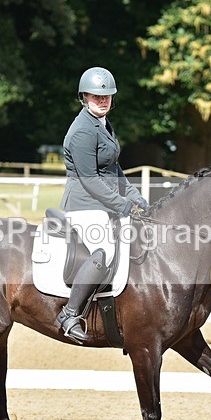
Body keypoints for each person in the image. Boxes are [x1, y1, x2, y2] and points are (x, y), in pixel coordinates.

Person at [56, 66, 149, 343]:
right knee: (104, 251)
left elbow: (114, 170)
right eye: (97, 96)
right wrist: (121, 205)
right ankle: (70, 313)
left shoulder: (104, 125)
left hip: (103, 202)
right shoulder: (83, 131)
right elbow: (90, 180)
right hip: (83, 205)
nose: (103, 100)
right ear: (84, 96)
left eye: (107, 96)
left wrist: (136, 197)